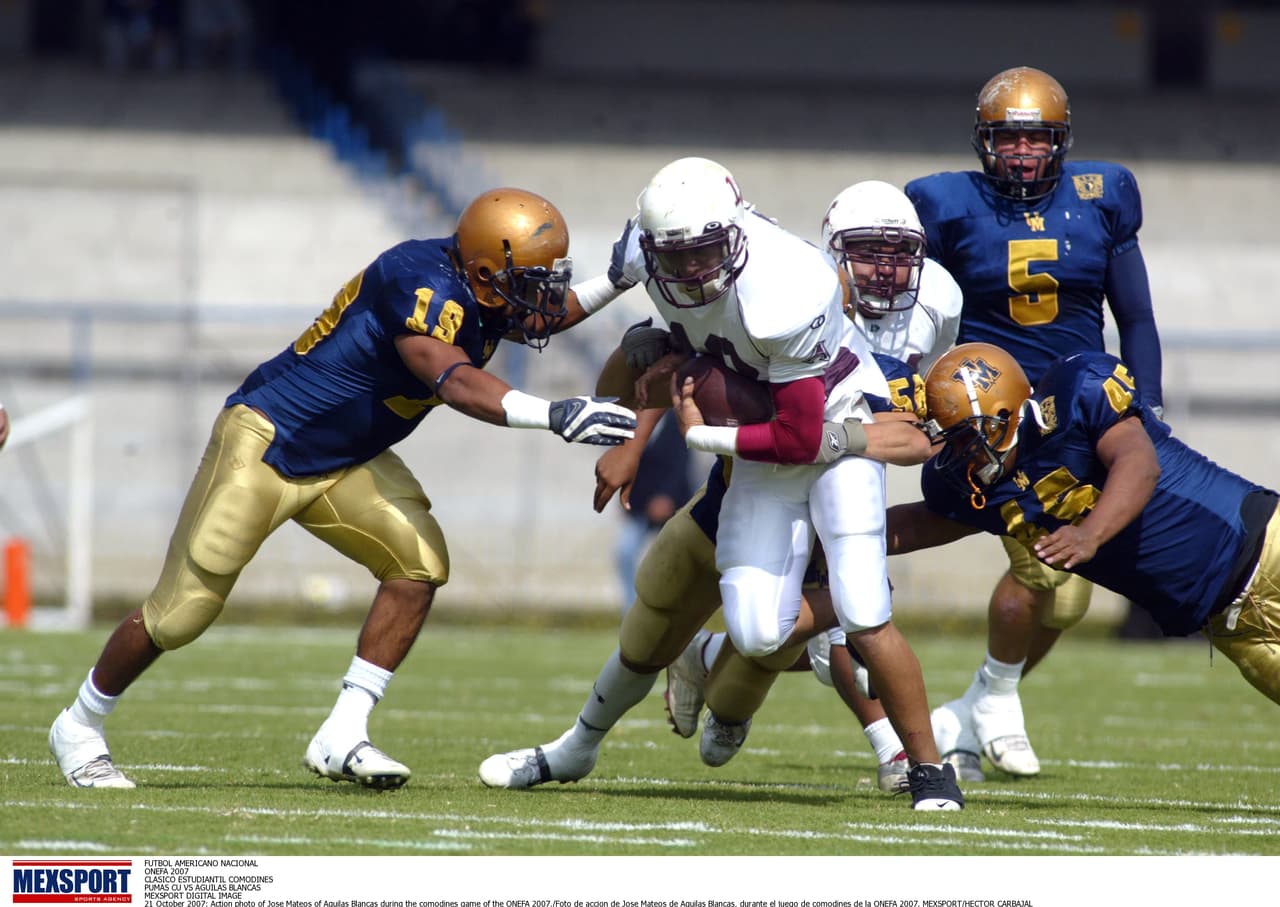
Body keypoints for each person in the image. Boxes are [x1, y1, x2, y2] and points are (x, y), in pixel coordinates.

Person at [47, 188, 637, 789]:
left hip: (344, 459)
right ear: (486, 272)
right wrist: (553, 414)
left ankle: (343, 732)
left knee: (419, 564)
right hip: (269, 442)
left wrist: (620, 277)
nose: (540, 293)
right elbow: (456, 382)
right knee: (180, 615)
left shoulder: (481, 288)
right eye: (529, 279)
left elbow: (540, 313)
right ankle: (79, 724)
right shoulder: (417, 282)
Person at [477, 157, 964, 810]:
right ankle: (630, 708)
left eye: (705, 253)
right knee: (760, 632)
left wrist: (701, 433)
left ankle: (928, 769)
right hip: (761, 448)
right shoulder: (650, 254)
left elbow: (799, 434)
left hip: (833, 431)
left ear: (734, 232)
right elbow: (588, 315)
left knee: (864, 610)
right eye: (674, 259)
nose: (691, 272)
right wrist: (521, 321)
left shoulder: (789, 286)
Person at [903, 65, 1165, 780]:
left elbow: (1134, 315)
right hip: (994, 411)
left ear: (1062, 141)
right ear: (984, 142)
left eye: (1037, 137)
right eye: (1008, 138)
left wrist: (1149, 402)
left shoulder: (1102, 196)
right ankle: (990, 695)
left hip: (1082, 409)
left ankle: (979, 701)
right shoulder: (944, 203)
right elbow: (912, 308)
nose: (1022, 152)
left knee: (1071, 591)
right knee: (1045, 565)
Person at [666, 180, 962, 792]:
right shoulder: (796, 291)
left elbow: (924, 405)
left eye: (899, 252)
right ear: (832, 251)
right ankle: (720, 663)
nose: (885, 269)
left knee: (853, 622)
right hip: (772, 460)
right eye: (867, 251)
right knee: (815, 632)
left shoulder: (938, 302)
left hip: (852, 460)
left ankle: (900, 756)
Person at [891, 342, 1279, 713]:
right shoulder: (981, 492)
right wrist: (837, 540)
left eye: (964, 440)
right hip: (1231, 628)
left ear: (1003, 415)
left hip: (1264, 548)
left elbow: (1139, 464)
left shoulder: (1075, 392)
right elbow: (915, 525)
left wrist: (1089, 533)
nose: (958, 455)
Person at [610, 409, 694, 613]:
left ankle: (680, 613)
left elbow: (681, 462)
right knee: (624, 552)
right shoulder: (628, 422)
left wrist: (666, 496)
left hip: (673, 507)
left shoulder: (676, 420)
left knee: (675, 561)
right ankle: (631, 612)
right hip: (638, 506)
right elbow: (623, 463)